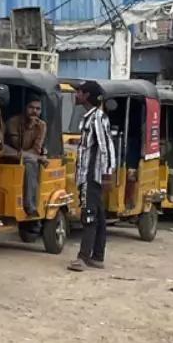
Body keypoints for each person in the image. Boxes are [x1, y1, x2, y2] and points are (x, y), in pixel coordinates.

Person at [68, 81, 116, 272]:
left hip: (92, 175)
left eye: (78, 92)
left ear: (86, 95)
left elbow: (106, 147)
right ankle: (97, 256)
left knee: (89, 215)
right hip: (88, 174)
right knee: (99, 216)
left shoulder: (97, 118)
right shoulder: (90, 118)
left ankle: (83, 257)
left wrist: (106, 174)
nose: (76, 95)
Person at [4, 97, 47, 216]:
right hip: (9, 152)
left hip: (27, 156)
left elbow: (36, 149)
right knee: (32, 159)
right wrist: (28, 128)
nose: (34, 111)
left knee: (31, 162)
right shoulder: (13, 122)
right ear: (25, 108)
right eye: (31, 107)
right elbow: (16, 145)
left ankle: (30, 206)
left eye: (38, 109)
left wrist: (34, 155)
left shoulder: (41, 125)